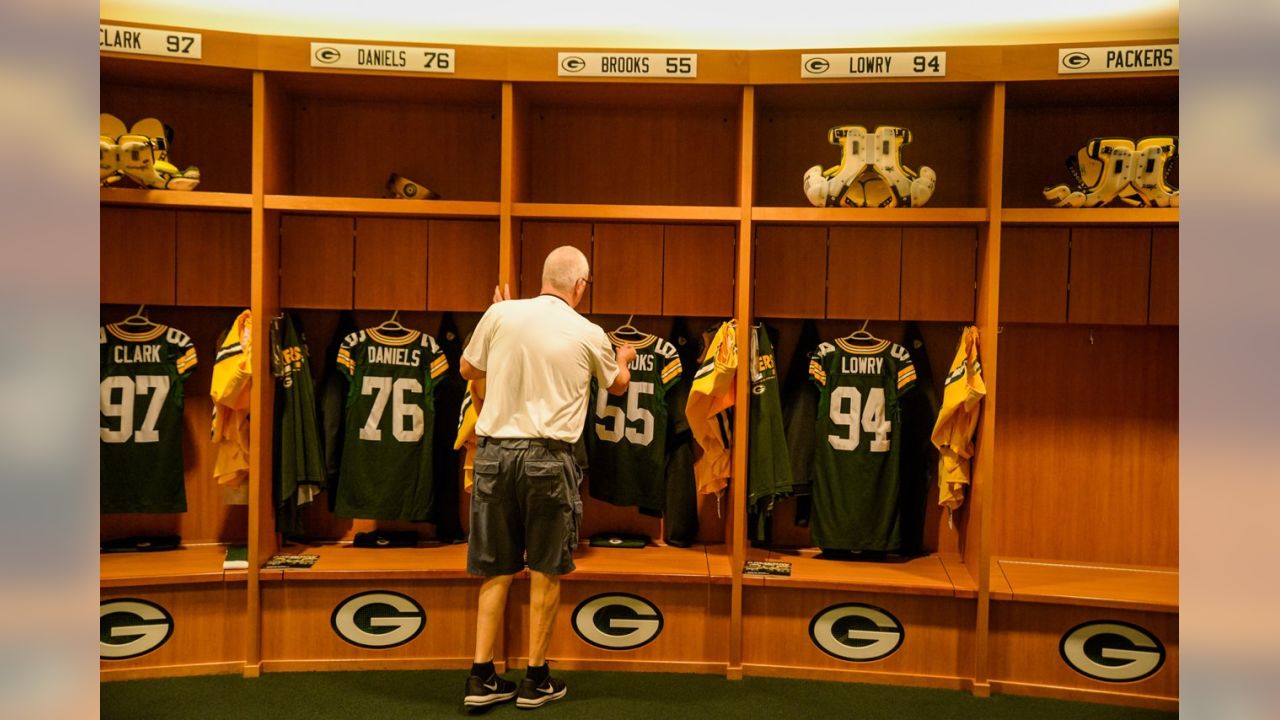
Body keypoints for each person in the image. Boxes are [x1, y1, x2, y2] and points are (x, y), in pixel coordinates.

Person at [459, 245, 635, 709]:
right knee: (545, 568)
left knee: (494, 567)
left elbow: (467, 369)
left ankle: (482, 677)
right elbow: (615, 386)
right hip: (549, 458)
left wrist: (500, 331)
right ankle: (536, 679)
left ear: (542, 278)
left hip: (495, 454)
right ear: (579, 286)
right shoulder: (588, 331)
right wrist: (625, 359)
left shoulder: (500, 315)